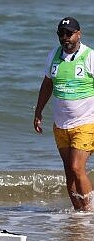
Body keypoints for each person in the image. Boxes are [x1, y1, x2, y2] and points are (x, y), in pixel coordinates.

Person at [34, 16, 94, 211]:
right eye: (61, 34)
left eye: (69, 33)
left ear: (79, 34)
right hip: (61, 125)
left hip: (86, 123)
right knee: (69, 170)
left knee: (77, 168)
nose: (65, 37)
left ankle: (90, 211)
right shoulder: (54, 55)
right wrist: (38, 111)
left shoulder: (90, 57)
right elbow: (47, 84)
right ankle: (79, 214)